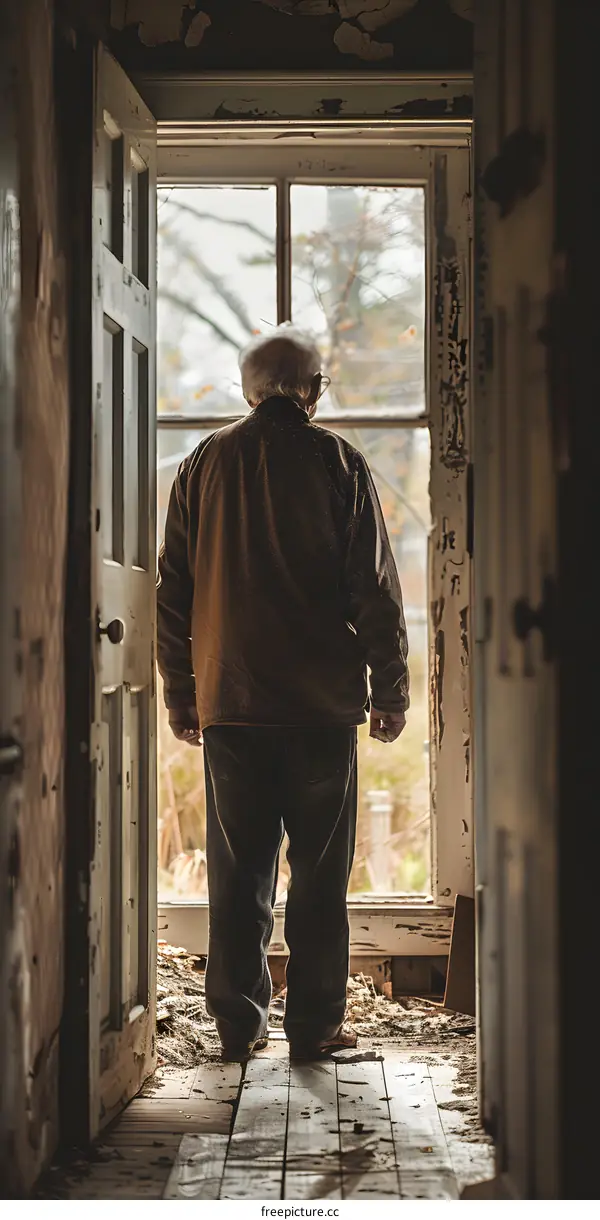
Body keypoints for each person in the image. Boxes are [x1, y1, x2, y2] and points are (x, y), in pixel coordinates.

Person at [157, 324, 409, 1062]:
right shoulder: (339, 463)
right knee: (321, 876)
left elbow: (174, 592)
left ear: (247, 389)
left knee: (238, 877)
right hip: (320, 707)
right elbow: (375, 590)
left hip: (231, 704)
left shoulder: (203, 463)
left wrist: (182, 693)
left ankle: (237, 1026)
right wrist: (388, 689)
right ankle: (317, 1028)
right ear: (315, 391)